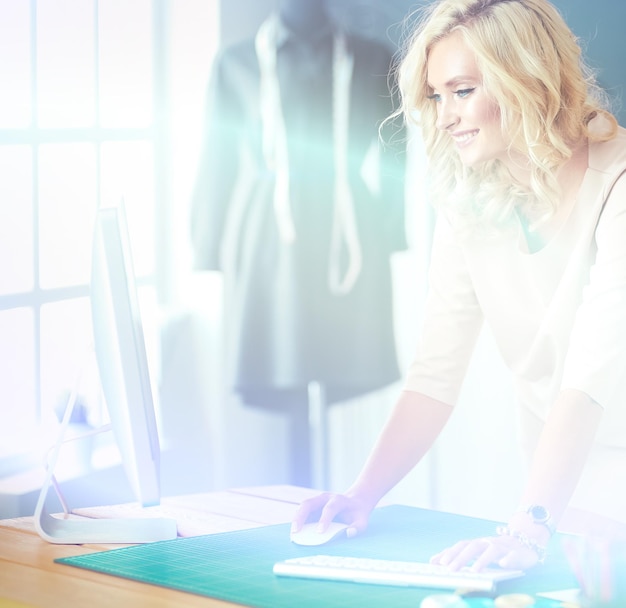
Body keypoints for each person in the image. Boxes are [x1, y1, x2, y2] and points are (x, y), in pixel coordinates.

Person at [292, 0, 626, 572]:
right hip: (562, 501)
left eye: (463, 90)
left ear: (525, 78)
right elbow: (434, 376)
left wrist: (525, 531)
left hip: (558, 504)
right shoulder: (471, 201)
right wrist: (361, 495)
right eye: (436, 96)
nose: (444, 117)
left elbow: (591, 376)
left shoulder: (617, 181)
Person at [190, 0, 406, 486]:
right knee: (280, 352)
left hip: (349, 231)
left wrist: (392, 232)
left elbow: (397, 154)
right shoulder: (236, 62)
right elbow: (217, 156)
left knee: (341, 356)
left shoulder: (374, 59)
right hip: (269, 237)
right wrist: (209, 247)